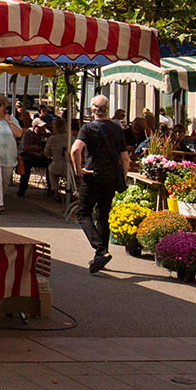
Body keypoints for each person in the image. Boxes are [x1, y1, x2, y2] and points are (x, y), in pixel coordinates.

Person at [70, 94, 131, 274]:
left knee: (83, 213)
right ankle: (101, 255)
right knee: (103, 214)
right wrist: (123, 176)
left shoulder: (88, 128)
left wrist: (78, 169)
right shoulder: (117, 128)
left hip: (93, 175)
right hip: (111, 176)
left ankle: (101, 250)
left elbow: (75, 149)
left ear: (92, 110)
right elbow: (125, 158)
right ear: (108, 108)